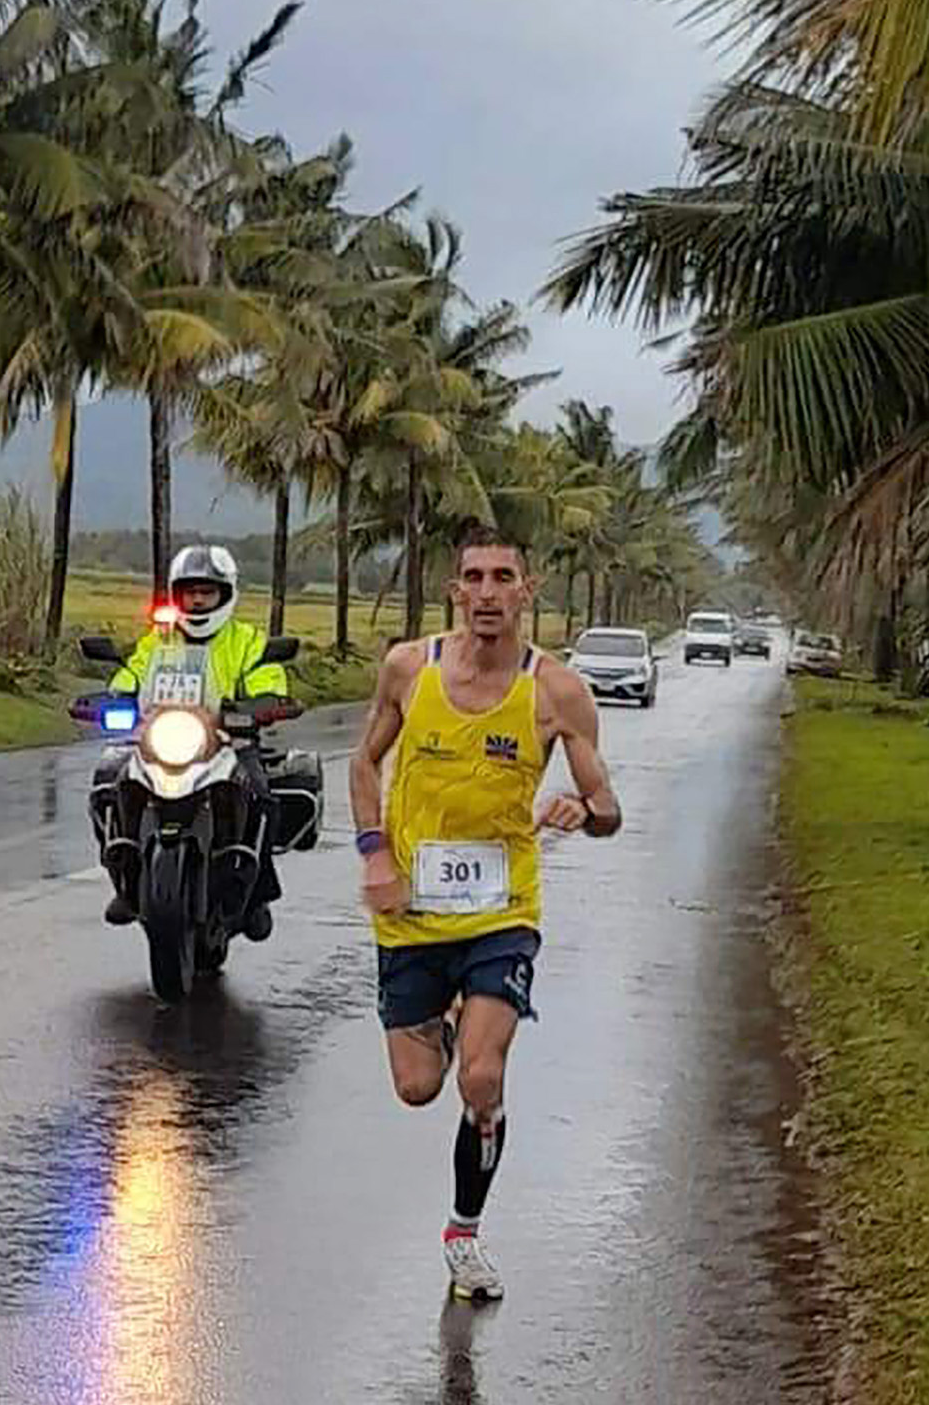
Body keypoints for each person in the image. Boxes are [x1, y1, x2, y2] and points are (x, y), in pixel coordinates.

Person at [349, 524, 622, 1302]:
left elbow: (608, 807)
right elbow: (364, 760)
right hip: (410, 915)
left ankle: (463, 1235)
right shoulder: (410, 668)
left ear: (525, 593)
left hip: (503, 913)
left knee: (480, 1076)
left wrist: (582, 809)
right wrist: (374, 853)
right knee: (417, 1088)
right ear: (454, 590)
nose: (488, 593)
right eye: (475, 577)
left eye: (505, 577)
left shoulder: (557, 690)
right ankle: (441, 1026)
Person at [90, 543, 287, 937]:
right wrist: (114, 697)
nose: (198, 600)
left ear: (225, 594)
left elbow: (269, 680)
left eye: (207, 591)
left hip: (229, 739)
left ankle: (258, 893)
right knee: (108, 781)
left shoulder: (247, 640)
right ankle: (126, 884)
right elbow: (131, 675)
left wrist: (263, 704)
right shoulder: (159, 639)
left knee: (262, 796)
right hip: (161, 737)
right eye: (190, 592)